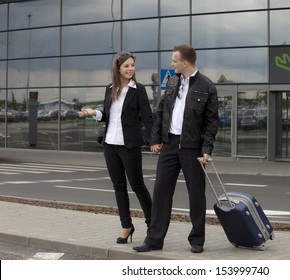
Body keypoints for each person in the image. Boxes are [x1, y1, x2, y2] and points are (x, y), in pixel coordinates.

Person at [133, 44, 219, 254]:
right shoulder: (172, 81)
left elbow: (211, 123)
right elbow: (161, 110)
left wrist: (206, 149)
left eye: (174, 60)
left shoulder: (207, 86)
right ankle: (154, 240)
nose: (171, 63)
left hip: (193, 148)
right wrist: (155, 139)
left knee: (196, 195)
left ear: (185, 62)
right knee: (161, 192)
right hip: (170, 145)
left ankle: (197, 240)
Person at [78, 51, 153, 244]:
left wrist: (153, 140)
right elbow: (108, 115)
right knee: (119, 187)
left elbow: (147, 117)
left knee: (137, 186)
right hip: (110, 145)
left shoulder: (139, 90)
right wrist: (93, 112)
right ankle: (126, 226)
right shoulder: (110, 88)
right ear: (118, 68)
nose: (130, 69)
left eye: (132, 66)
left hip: (130, 146)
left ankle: (153, 225)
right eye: (126, 66)